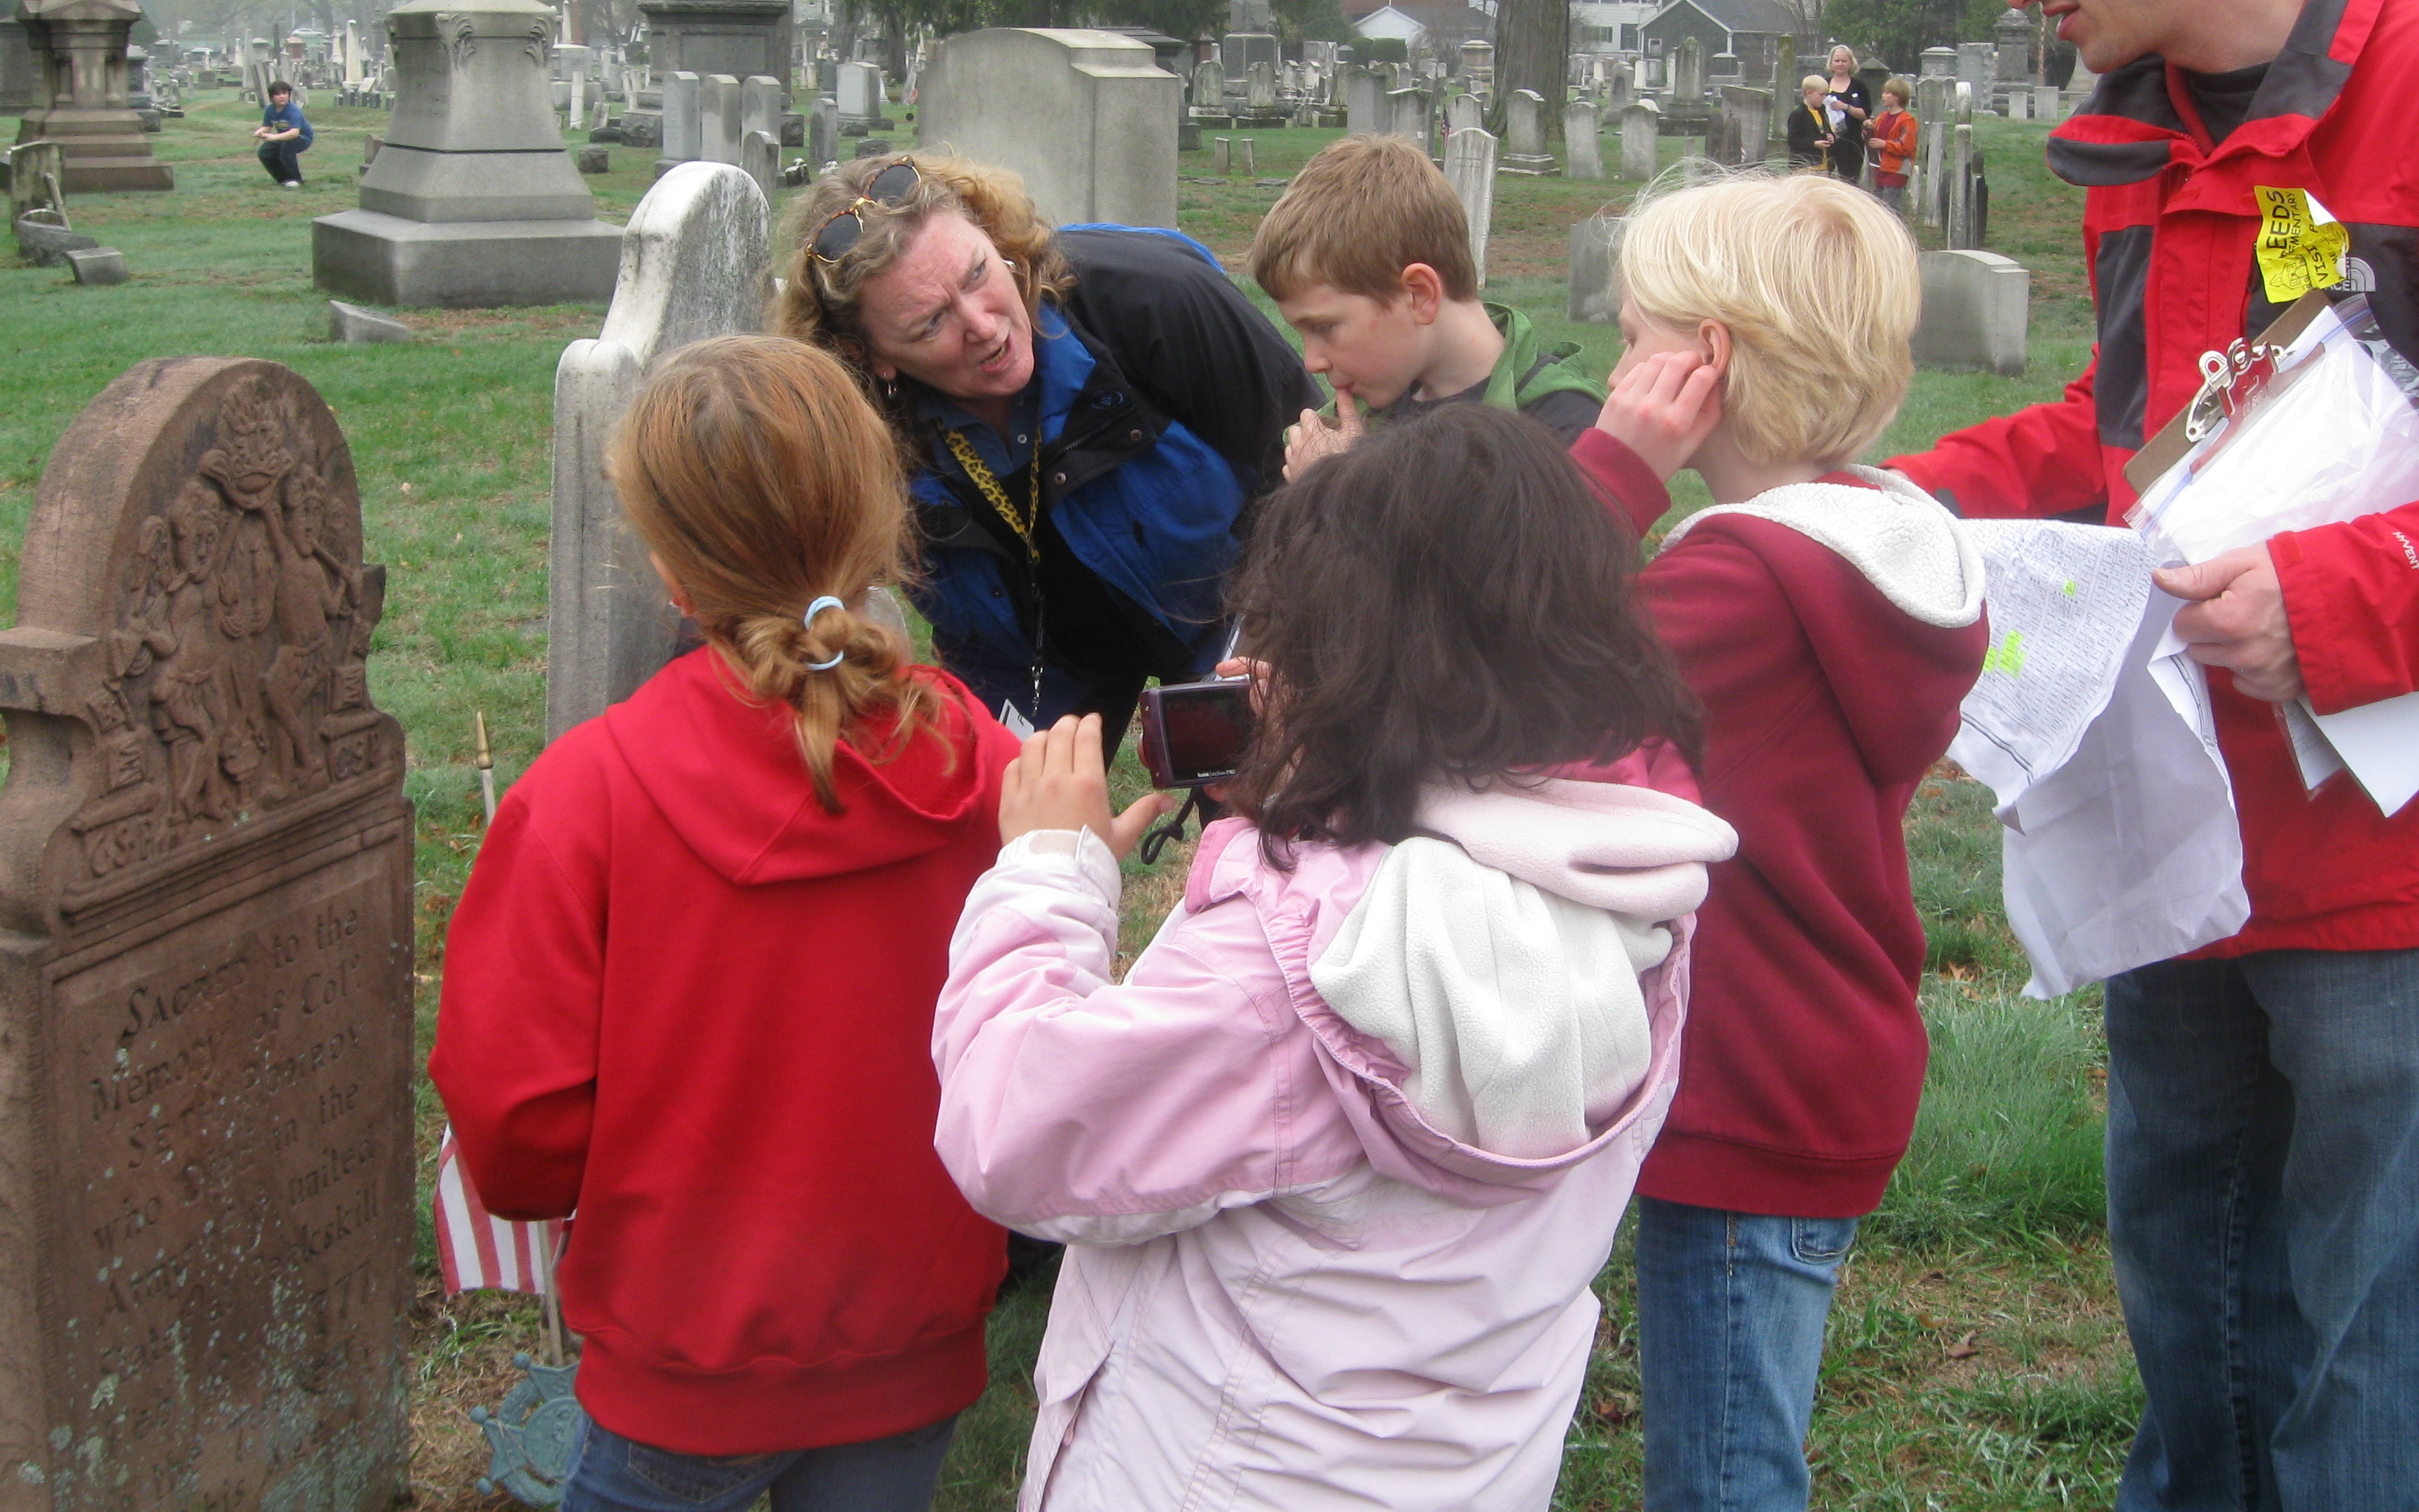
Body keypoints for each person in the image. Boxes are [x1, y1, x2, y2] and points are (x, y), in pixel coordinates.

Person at [1885, 0, 2419, 1510]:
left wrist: (2335, 603)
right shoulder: (2141, 139)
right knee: (2188, 1291)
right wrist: (1885, 500)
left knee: (2373, 1344)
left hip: (2379, 865)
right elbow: (2135, 435)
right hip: (2175, 833)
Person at [932, 403, 1732, 1512]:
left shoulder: (1290, 974)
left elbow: (1015, 1132)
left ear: (1347, 666)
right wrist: (1318, 788)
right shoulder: (1627, 878)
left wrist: (1046, 875)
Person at [429, 336, 1014, 1512]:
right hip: (915, 1328)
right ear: (877, 526)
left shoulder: (584, 796)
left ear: (671, 573)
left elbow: (516, 1132)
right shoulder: (977, 759)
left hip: (686, 1351)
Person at [1568, 172, 1988, 1512]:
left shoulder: (1737, 579)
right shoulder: (1868, 532)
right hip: (1813, 1043)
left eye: (1634, 337)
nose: (1615, 364)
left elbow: (1516, 672)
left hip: (1746, 1079)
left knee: (1725, 1468)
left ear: (1708, 362)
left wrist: (1611, 472)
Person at [772, 153, 1315, 737]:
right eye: (930, 324)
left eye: (978, 274)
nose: (983, 326)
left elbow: (1309, 483)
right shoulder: (860, 443)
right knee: (1002, 813)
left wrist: (1252, 672)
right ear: (869, 356)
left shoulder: (1157, 298)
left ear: (994, 238)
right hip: (1032, 659)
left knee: (1259, 807)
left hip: (1236, 602)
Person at [1247, 133, 1603, 479]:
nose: (1312, 362)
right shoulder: (1362, 418)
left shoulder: (1562, 426)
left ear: (1419, 295)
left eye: (1323, 328)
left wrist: (1337, 487)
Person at [1865, 76, 1918, 216]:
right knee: (1878, 204)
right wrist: (1867, 127)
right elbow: (1872, 135)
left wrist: (1885, 144)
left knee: (1891, 208)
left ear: (1898, 97)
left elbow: (1906, 146)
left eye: (1887, 93)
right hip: (1880, 168)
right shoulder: (1882, 116)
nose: (1883, 95)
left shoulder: (1907, 121)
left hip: (1897, 170)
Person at [1822, 43, 1871, 186]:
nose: (1840, 64)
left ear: (1851, 63)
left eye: (1844, 61)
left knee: (1849, 182)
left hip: (1851, 142)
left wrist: (1846, 107)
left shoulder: (1859, 86)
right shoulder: (1823, 84)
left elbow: (1865, 114)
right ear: (1830, 63)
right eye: (1837, 61)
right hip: (1827, 141)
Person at [253, 80, 312, 188]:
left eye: (285, 93)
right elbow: (267, 126)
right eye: (278, 94)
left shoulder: (294, 111)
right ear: (272, 97)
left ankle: (296, 180)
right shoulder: (270, 109)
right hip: (284, 137)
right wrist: (260, 131)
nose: (282, 97)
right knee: (264, 152)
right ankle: (283, 179)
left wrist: (273, 137)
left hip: (302, 138)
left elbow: (294, 133)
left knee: (286, 148)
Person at [1784, 73, 1834, 170]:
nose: (1824, 98)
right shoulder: (1798, 114)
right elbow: (1793, 140)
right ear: (1809, 93)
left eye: (1826, 95)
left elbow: (1825, 129)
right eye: (1821, 95)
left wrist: (1830, 136)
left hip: (1822, 164)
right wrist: (1813, 144)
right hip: (1804, 166)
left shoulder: (1822, 111)